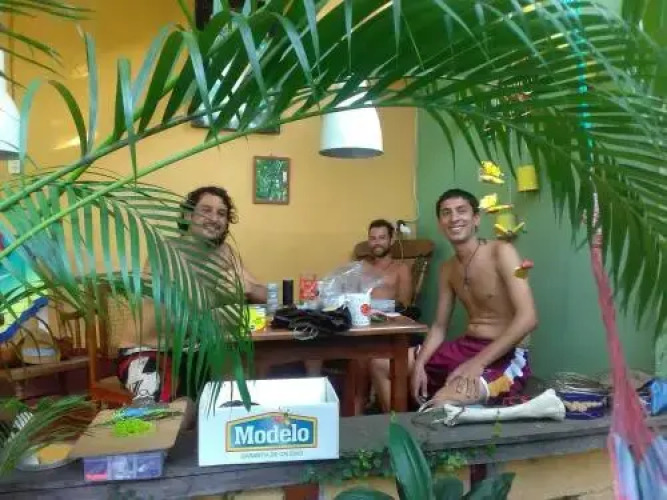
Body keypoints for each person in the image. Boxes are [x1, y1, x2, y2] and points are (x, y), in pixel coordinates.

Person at [369, 188, 537, 412]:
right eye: (446, 213)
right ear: (441, 224)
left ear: (476, 218)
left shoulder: (501, 251)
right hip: (465, 346)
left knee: (442, 403)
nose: (454, 218)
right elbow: (439, 327)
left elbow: (528, 318)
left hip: (505, 355)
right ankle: (398, 426)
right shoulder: (447, 269)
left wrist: (478, 363)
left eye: (461, 211)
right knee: (380, 364)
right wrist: (419, 364)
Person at [116, 185, 267, 402]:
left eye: (221, 213)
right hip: (149, 351)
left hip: (197, 351)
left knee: (236, 393)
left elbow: (266, 295)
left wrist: (250, 288)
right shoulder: (167, 253)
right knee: (159, 409)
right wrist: (222, 298)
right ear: (188, 215)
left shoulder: (225, 253)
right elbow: (174, 318)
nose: (214, 218)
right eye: (206, 210)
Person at [362, 219, 413, 308]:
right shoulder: (362, 267)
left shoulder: (401, 268)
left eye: (382, 238)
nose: (377, 243)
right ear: (369, 241)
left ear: (391, 240)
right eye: (373, 238)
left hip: (387, 315)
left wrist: (375, 306)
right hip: (359, 314)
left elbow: (405, 304)